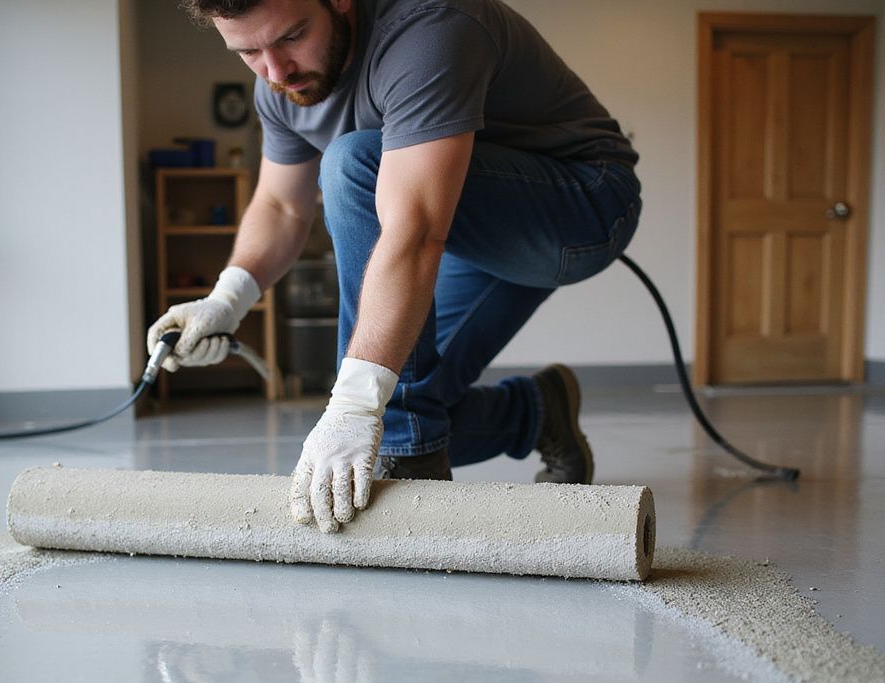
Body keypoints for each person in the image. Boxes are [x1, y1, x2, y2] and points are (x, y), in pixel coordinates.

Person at [147, 0, 641, 533]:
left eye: (291, 36)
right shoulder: (282, 84)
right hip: (463, 228)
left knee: (355, 162)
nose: (274, 70)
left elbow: (416, 229)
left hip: (579, 205)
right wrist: (227, 299)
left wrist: (357, 406)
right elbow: (282, 207)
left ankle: (411, 460)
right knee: (411, 402)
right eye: (247, 52)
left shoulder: (432, 26)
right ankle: (536, 413)